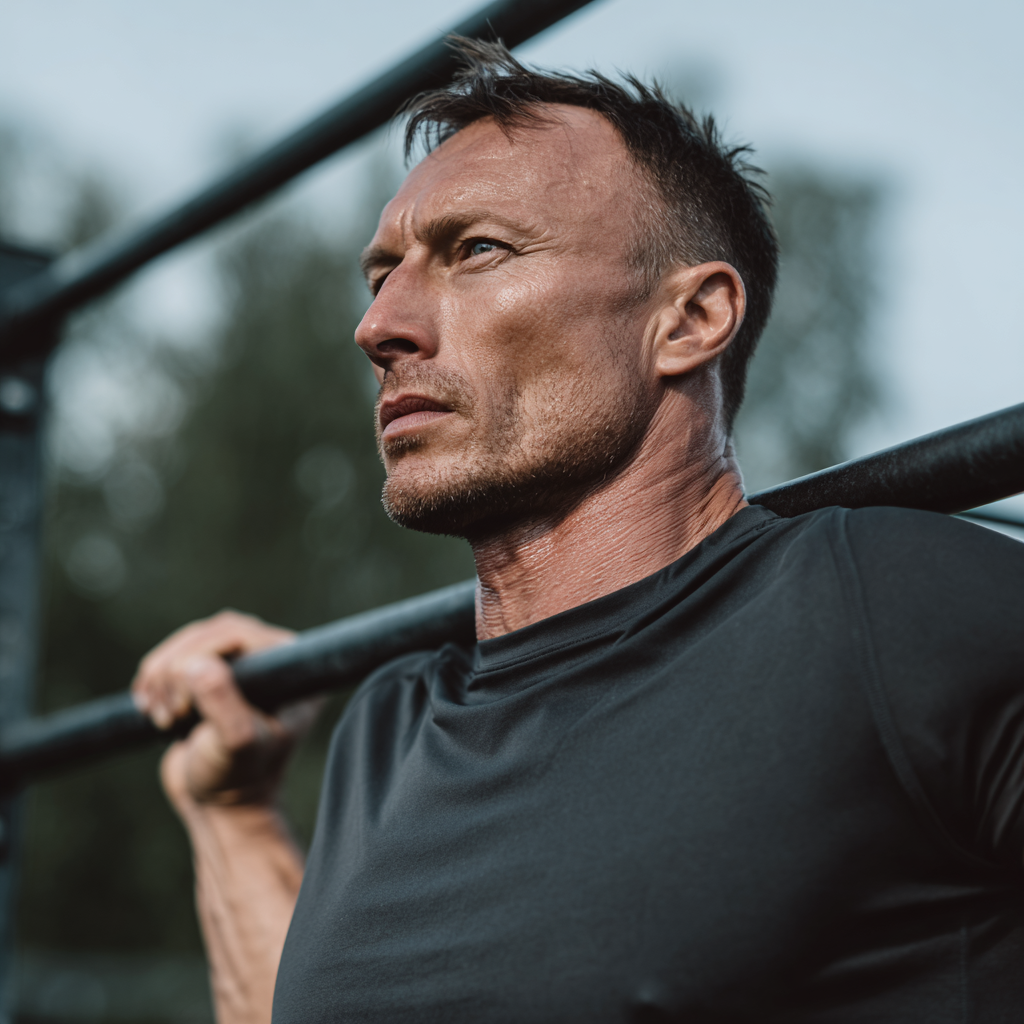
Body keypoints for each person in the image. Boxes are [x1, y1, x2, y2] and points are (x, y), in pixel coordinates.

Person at [131, 40, 1024, 1024]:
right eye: (381, 273)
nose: (378, 324)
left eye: (476, 251)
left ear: (689, 319)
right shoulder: (390, 724)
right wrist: (232, 814)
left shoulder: (890, 612)